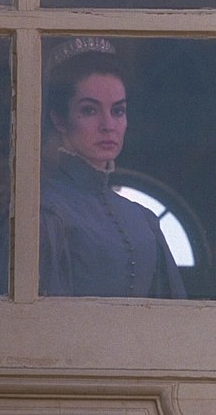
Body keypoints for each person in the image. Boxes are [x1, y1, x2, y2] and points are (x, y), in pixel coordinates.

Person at [39, 37, 186, 298]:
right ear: (59, 119)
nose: (108, 126)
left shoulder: (142, 218)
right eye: (89, 110)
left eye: (117, 111)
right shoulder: (47, 213)